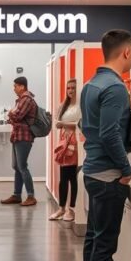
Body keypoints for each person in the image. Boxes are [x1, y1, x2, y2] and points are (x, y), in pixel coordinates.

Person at [81, 29, 131, 261]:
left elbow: (87, 127)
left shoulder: (90, 85)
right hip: (108, 176)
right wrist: (126, 169)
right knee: (105, 244)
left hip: (92, 171)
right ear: (126, 53)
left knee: (93, 240)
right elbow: (109, 134)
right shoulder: (116, 88)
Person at [1, 76, 37, 207]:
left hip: (24, 137)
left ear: (22, 86)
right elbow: (14, 119)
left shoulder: (26, 99)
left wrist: (11, 112)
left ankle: (31, 196)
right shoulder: (21, 100)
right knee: (17, 167)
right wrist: (12, 115)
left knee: (22, 166)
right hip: (18, 136)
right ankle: (17, 195)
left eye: (15, 86)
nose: (14, 88)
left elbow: (17, 116)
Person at [50, 79, 82, 221]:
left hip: (76, 143)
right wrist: (60, 123)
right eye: (68, 88)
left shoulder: (80, 106)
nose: (70, 90)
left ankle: (72, 209)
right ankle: (62, 208)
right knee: (63, 177)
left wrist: (64, 123)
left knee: (73, 178)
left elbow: (81, 123)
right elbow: (57, 123)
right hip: (64, 141)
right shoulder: (65, 105)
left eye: (73, 88)